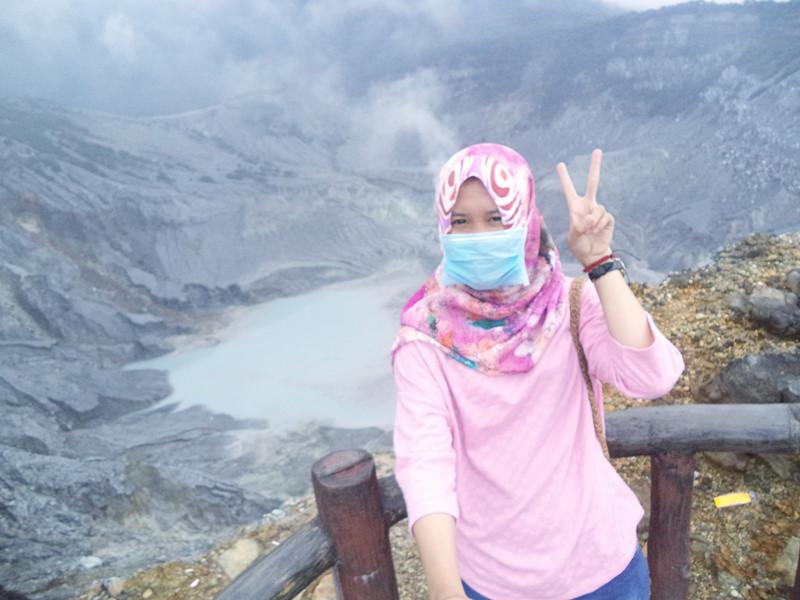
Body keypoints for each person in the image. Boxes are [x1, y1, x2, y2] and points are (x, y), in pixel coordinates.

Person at [390, 143, 685, 600]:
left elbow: (652, 377)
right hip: (493, 583)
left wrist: (600, 263)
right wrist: (446, 592)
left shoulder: (568, 304)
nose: (478, 235)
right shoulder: (425, 339)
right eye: (461, 222)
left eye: (496, 218)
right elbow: (424, 464)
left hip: (603, 565)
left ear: (526, 220)